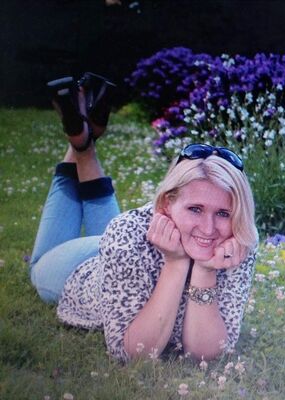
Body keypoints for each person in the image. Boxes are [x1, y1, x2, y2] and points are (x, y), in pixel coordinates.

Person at [29, 73, 258, 363]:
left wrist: (204, 270)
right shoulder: (127, 232)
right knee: (39, 265)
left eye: (223, 213)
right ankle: (81, 146)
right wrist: (175, 263)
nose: (209, 228)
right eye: (195, 209)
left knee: (118, 232)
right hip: (79, 270)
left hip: (119, 248)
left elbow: (206, 352)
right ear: (166, 203)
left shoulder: (240, 237)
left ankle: (83, 142)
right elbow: (132, 353)